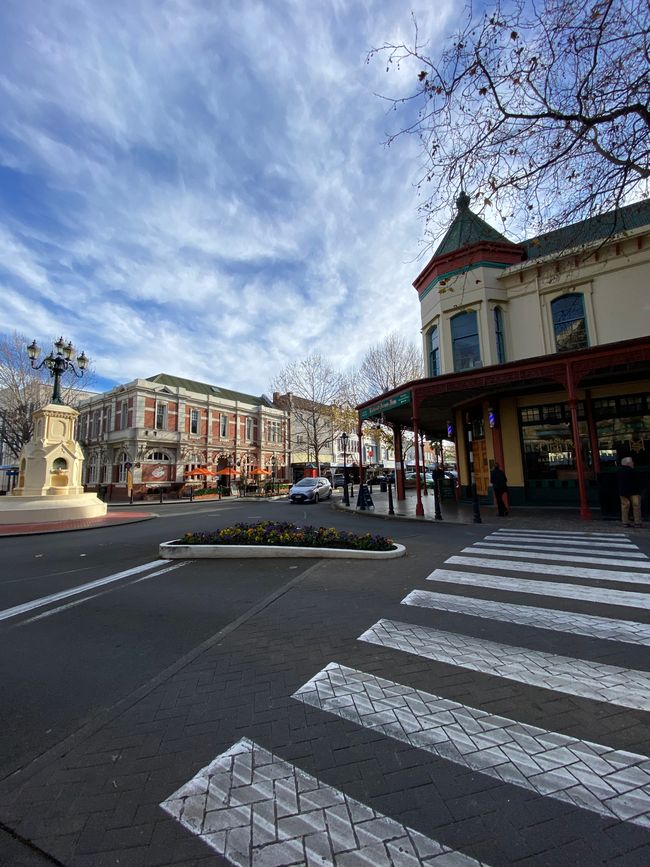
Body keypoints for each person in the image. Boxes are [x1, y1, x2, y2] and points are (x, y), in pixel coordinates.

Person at [617, 456, 642, 528]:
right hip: (634, 491)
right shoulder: (633, 471)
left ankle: (625, 522)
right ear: (628, 463)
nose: (633, 463)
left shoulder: (619, 471)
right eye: (631, 462)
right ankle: (637, 522)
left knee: (625, 506)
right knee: (636, 506)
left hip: (623, 491)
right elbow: (637, 481)